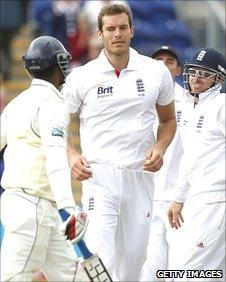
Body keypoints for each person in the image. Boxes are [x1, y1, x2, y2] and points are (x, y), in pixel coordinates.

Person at [62, 4, 176, 281]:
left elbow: (168, 121)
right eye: (110, 29)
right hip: (100, 177)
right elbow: (58, 125)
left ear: (132, 31)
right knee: (101, 257)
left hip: (141, 176)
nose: (117, 34)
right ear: (100, 34)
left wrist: (159, 148)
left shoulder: (155, 72)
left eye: (122, 28)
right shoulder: (81, 76)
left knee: (133, 263)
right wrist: (72, 155)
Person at [0, 36, 88, 281]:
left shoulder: (16, 104)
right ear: (60, 65)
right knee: (13, 277)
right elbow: (54, 157)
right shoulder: (53, 106)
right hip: (34, 207)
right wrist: (69, 207)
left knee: (73, 277)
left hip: (37, 207)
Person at [167, 47, 226, 281]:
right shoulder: (191, 108)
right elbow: (191, 159)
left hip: (216, 199)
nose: (197, 78)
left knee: (186, 272)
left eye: (205, 73)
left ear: (218, 79)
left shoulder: (221, 104)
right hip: (196, 198)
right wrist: (178, 198)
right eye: (194, 72)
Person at [139, 46, 184, 281]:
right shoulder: (140, 100)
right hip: (147, 196)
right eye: (158, 60)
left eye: (169, 61)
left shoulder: (189, 103)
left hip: (179, 199)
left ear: (178, 70)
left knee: (180, 268)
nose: (163, 64)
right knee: (150, 270)